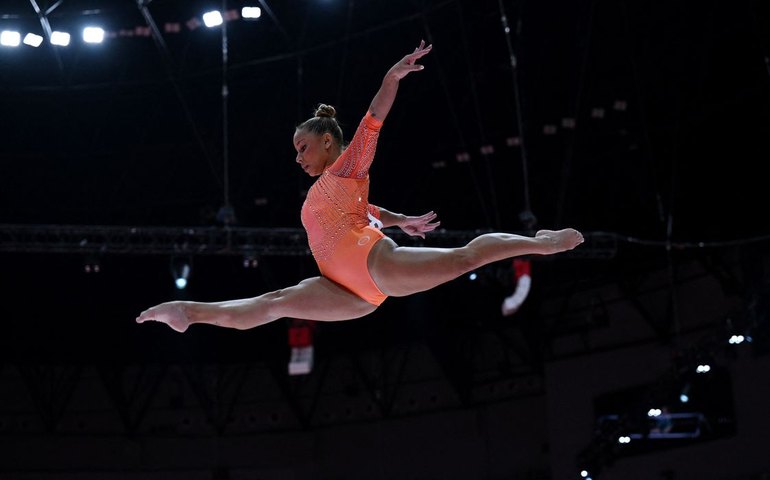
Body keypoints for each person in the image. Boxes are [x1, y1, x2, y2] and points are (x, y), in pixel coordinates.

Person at [136, 40, 584, 333]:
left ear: (327, 141)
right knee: (273, 303)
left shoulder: (346, 167)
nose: (297, 157)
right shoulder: (331, 189)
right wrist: (399, 218)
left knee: (464, 257)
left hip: (372, 265)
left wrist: (391, 78)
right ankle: (187, 312)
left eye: (302, 147)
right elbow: (363, 209)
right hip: (346, 292)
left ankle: (541, 243)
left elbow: (374, 119)